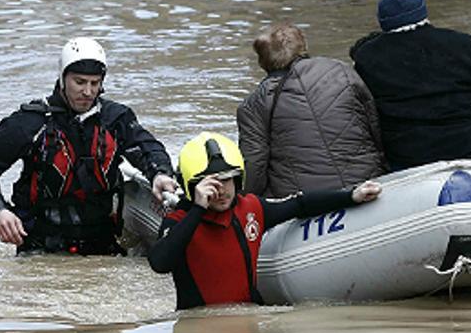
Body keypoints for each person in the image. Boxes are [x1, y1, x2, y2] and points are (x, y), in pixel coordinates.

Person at [0, 37, 175, 255]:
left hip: (101, 242)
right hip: (41, 245)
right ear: (62, 77)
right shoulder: (31, 122)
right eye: (80, 82)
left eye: (95, 84)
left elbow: (147, 148)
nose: (88, 92)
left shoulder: (115, 119)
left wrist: (160, 173)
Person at [148, 132, 381, 309]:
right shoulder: (178, 221)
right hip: (198, 326)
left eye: (228, 180)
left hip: (248, 318)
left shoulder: (251, 208)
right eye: (212, 183)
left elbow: (300, 204)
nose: (222, 190)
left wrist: (350, 195)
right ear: (192, 185)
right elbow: (160, 263)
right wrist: (198, 208)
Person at [349, 0, 471, 170]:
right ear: (423, 13)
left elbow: (367, 122)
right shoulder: (464, 45)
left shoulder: (367, 58)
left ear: (383, 22)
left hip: (407, 164)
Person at [236, 22, 386, 198]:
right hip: (366, 180)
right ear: (303, 47)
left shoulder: (254, 104)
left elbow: (254, 166)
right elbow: (374, 125)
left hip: (305, 198)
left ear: (262, 61)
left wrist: (243, 202)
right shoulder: (341, 71)